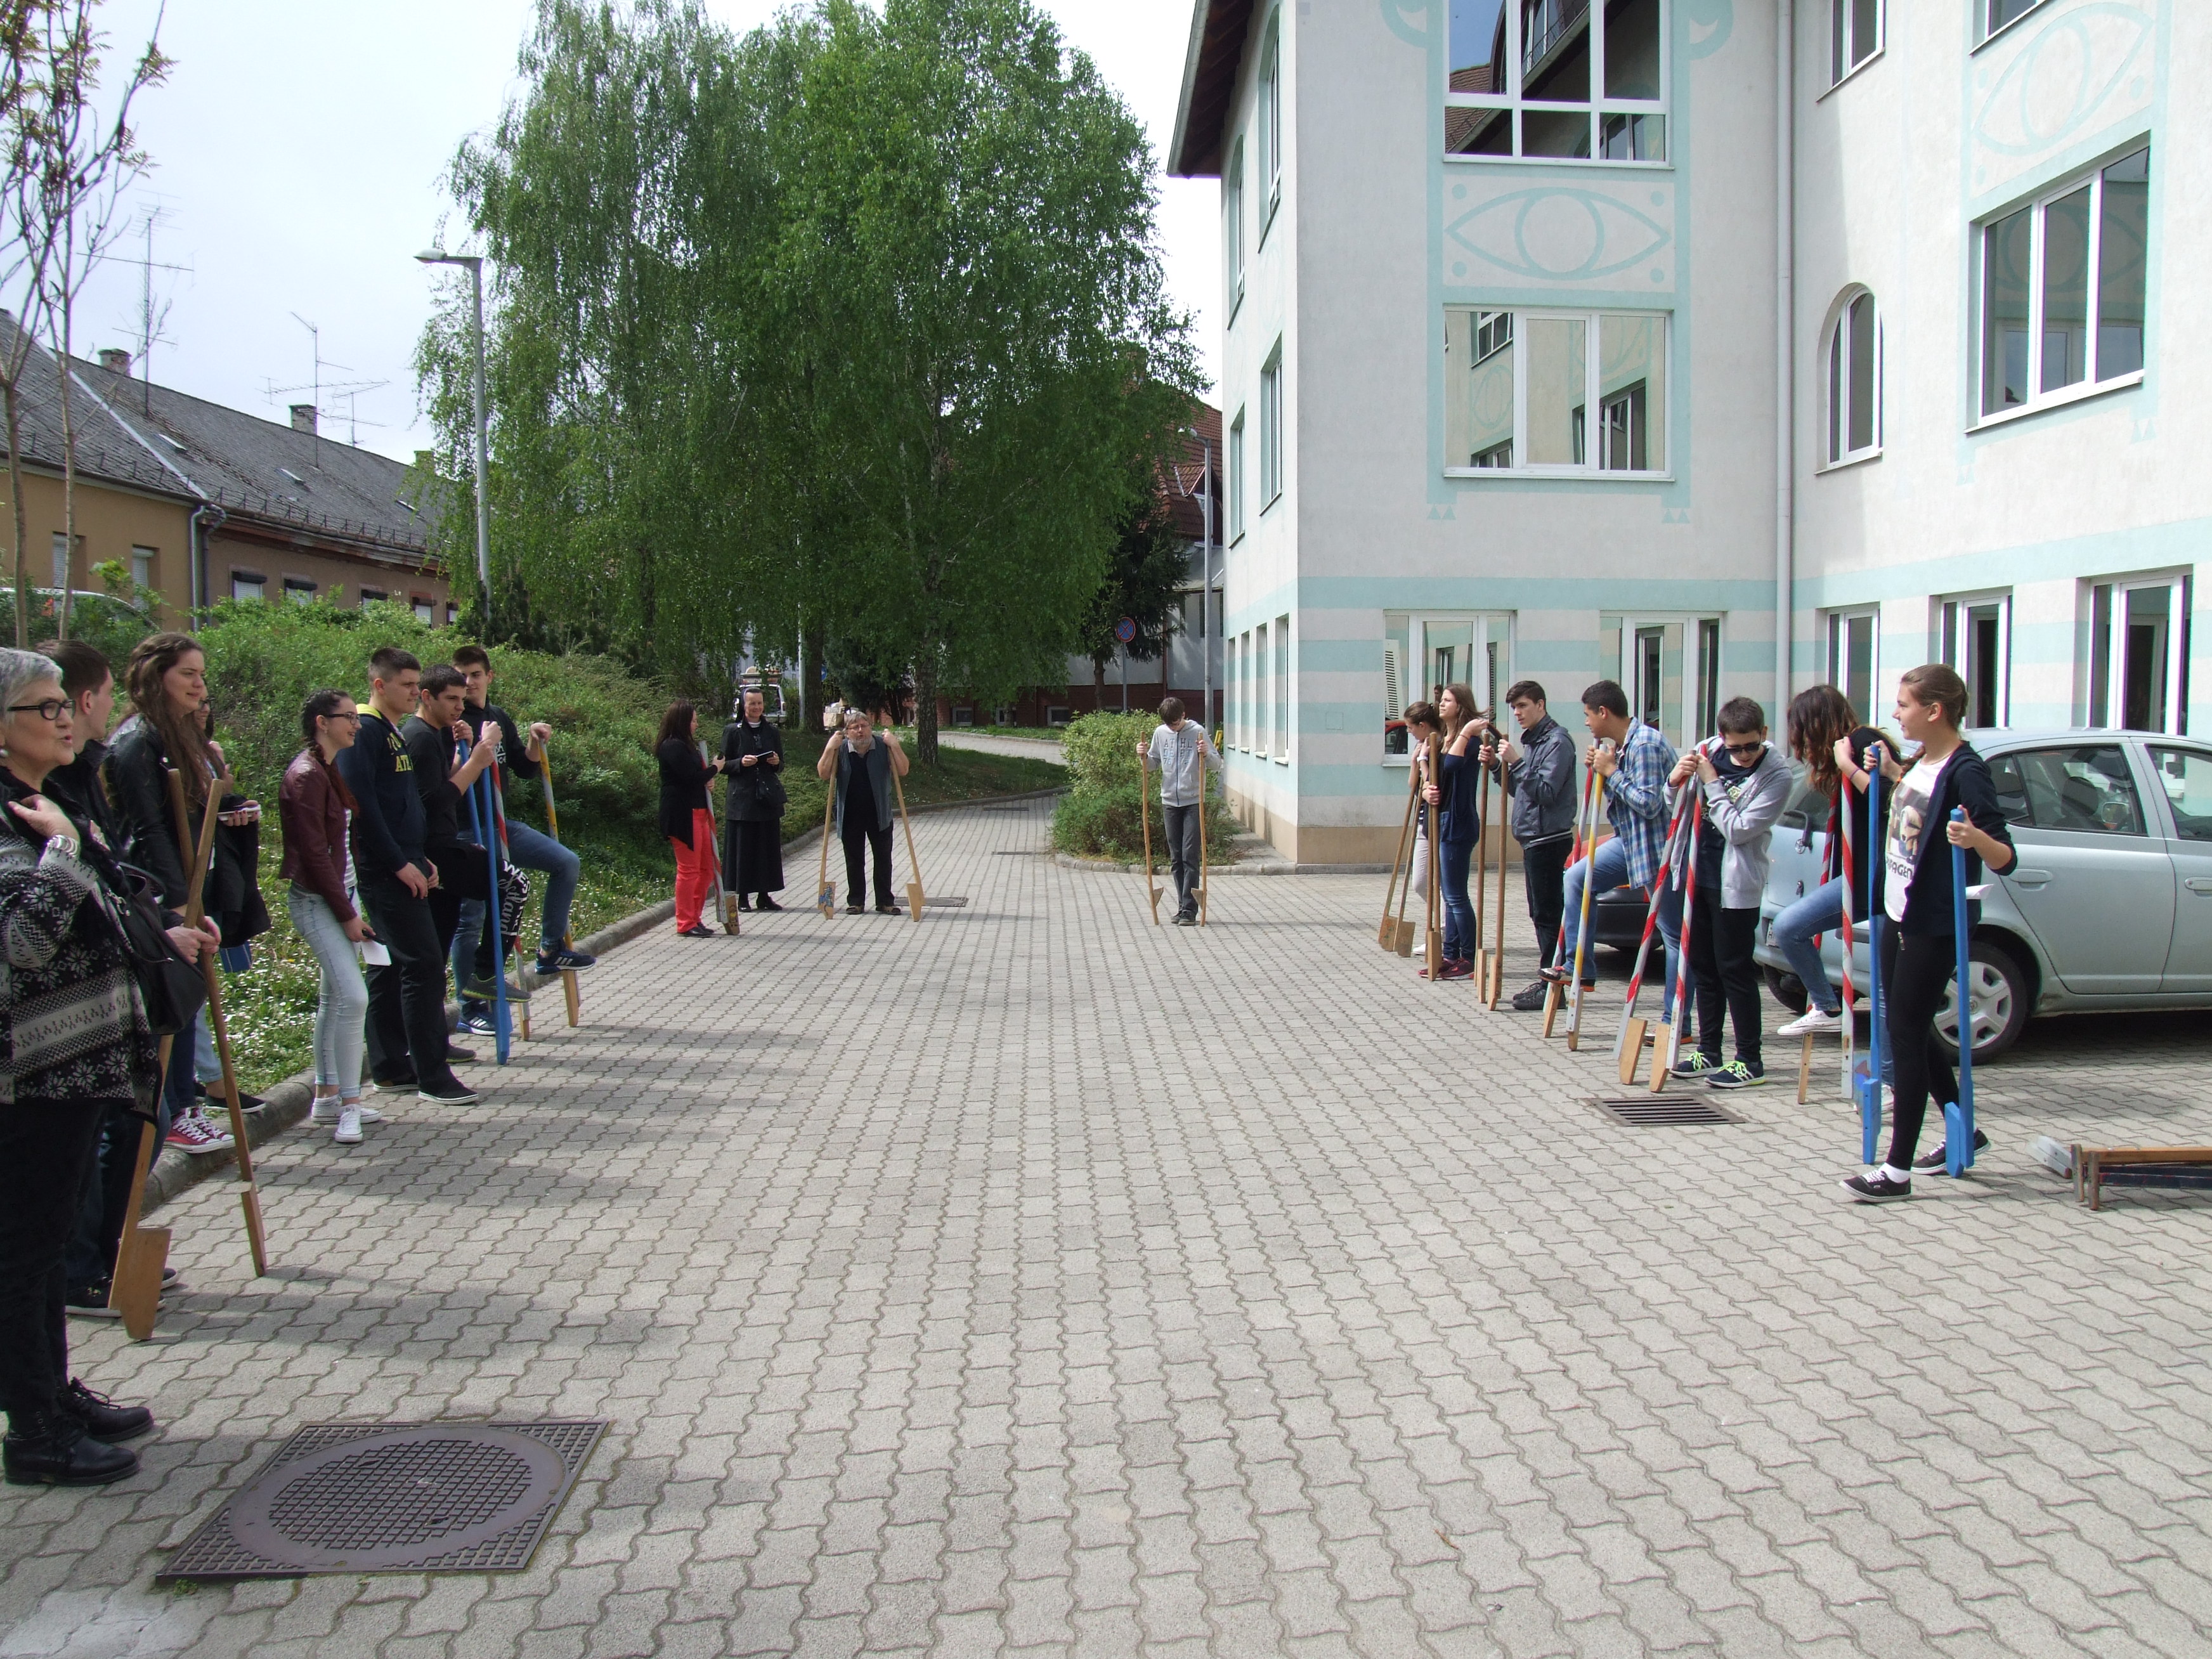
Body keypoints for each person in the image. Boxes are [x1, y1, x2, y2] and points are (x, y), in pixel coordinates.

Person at [1, 646, 204, 1485]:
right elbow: (22, 941)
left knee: (50, 1243)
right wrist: (62, 852)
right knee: (23, 1251)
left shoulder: (51, 798)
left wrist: (159, 929)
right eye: (46, 707)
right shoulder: (14, 818)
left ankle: (54, 1391)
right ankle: (34, 1430)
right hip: (32, 1072)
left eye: (63, 703)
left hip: (79, 1064)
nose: (66, 718)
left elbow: (107, 900)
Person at [1842, 663, 2015, 1202]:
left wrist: (1973, 838)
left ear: (1935, 711)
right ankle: (1967, 1130)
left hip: (1934, 923)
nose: (1896, 714)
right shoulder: (1923, 760)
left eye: (1904, 704)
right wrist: (1893, 772)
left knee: (1905, 1036)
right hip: (1899, 913)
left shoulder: (1967, 770)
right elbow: (1916, 808)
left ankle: (1896, 1172)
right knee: (1910, 1030)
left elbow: (2005, 856)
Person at [101, 633, 235, 1156]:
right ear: (157, 676)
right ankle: (176, 1109)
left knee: (189, 1001)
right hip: (156, 898)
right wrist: (179, 905)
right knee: (173, 1002)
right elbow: (148, 830)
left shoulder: (176, 735)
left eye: (202, 675)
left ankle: (186, 1104)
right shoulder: (137, 743)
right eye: (188, 675)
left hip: (188, 889)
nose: (200, 686)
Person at [335, 648, 478, 1107]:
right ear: (380, 685)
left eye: (418, 684)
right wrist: (400, 862)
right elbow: (365, 809)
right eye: (407, 685)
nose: (416, 693)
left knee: (394, 966)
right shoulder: (366, 732)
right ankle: (432, 1076)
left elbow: (406, 803)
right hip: (385, 871)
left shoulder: (392, 732)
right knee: (423, 964)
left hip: (409, 861)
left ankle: (391, 1067)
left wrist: (419, 856)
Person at [450, 647, 593, 1042]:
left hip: (500, 825)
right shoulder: (453, 722)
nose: (468, 683)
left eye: (475, 675)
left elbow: (525, 767)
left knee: (566, 862)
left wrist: (533, 741)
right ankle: (470, 1008)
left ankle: (549, 949)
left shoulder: (498, 717)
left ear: (489, 677)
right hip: (465, 829)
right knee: (472, 917)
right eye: (461, 676)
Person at [1665, 698, 1792, 1088]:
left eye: (1752, 746)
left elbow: (1739, 830)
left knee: (1734, 970)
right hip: (1697, 874)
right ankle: (1709, 1050)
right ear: (1722, 738)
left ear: (1764, 734)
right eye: (1736, 748)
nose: (1744, 755)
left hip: (1736, 886)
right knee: (1703, 968)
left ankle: (1750, 1059)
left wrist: (1712, 783)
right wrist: (1674, 780)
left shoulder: (1777, 775)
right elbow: (1676, 806)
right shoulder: (1708, 752)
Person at [279, 691, 380, 1145]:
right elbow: (315, 856)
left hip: (342, 896)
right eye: (348, 717)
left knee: (333, 998)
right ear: (322, 722)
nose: (356, 724)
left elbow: (340, 847)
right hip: (318, 901)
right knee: (354, 998)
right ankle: (350, 1106)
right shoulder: (306, 775)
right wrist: (347, 915)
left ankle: (327, 1097)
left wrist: (351, 904)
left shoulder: (325, 768)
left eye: (357, 717)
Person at [1772, 686, 1897, 1039]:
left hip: (1876, 876)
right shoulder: (1849, 748)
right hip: (1864, 875)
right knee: (1791, 929)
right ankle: (1828, 1007)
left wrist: (1847, 766)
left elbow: (1888, 798)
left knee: (1789, 927)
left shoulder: (1864, 743)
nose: (1803, 748)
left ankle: (1831, 1010)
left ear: (1816, 725)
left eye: (1803, 736)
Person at [1552, 681, 1679, 1006]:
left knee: (1673, 935)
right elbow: (1625, 802)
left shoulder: (1645, 745)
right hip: (1630, 843)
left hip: (1657, 851)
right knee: (1577, 879)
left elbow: (1649, 803)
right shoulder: (1623, 746)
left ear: (1603, 712)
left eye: (1588, 715)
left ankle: (1676, 1017)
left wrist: (1611, 772)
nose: (1586, 722)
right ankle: (1579, 966)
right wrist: (1602, 773)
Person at [401, 665, 502, 968]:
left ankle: (473, 976)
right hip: (434, 849)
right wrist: (476, 763)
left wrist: (464, 753)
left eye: (462, 699)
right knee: (510, 884)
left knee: (439, 943)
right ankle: (485, 972)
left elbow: (444, 782)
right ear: (427, 697)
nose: (460, 707)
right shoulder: (419, 737)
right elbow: (434, 801)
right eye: (451, 699)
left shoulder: (436, 733)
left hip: (443, 843)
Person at [1486, 680, 1578, 1012]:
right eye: (1514, 708)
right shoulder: (1536, 742)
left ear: (1541, 705)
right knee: (1540, 914)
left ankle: (1553, 985)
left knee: (1549, 915)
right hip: (1533, 838)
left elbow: (1546, 793)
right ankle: (1548, 981)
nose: (1517, 713)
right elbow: (1523, 790)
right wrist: (1498, 767)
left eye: (1523, 706)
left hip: (1550, 839)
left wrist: (1517, 763)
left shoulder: (1557, 742)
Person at [1417, 684, 1486, 975]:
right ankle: (1449, 954)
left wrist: (1467, 731)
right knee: (1449, 896)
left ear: (1461, 706)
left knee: (1457, 896)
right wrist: (1425, 786)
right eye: (1441, 700)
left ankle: (1467, 958)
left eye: (1448, 700)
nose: (1441, 704)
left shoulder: (1469, 741)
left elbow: (1455, 765)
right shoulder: (1444, 739)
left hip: (1458, 823)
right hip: (1441, 819)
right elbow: (1435, 781)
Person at [1136, 696, 1221, 926]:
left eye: (1175, 723)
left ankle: (1189, 910)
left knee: (1189, 856)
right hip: (1169, 802)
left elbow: (1216, 764)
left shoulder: (1198, 732)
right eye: (1169, 724)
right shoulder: (1160, 733)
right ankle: (1182, 906)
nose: (1173, 728)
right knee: (1176, 858)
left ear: (1183, 715)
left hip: (1193, 801)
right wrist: (1144, 756)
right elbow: (1153, 764)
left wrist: (1206, 753)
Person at [816, 707, 909, 916]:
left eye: (864, 726)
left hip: (879, 813)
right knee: (854, 860)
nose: (860, 731)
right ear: (847, 732)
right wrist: (829, 748)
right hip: (850, 814)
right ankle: (856, 901)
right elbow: (823, 774)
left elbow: (903, 770)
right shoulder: (840, 749)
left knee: (883, 859)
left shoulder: (883, 747)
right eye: (855, 727)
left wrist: (895, 745)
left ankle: (885, 901)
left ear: (870, 728)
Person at [657, 701, 725, 937]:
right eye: (694, 720)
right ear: (682, 721)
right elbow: (690, 778)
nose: (696, 724)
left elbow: (699, 778)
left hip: (700, 813)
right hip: (682, 815)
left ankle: (695, 918)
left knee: (706, 869)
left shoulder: (688, 746)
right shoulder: (672, 746)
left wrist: (709, 779)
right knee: (689, 870)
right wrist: (715, 769)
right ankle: (685, 922)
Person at [720, 688, 787, 911]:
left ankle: (764, 895)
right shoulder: (733, 731)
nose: (756, 708)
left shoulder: (772, 731)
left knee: (766, 848)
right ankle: (743, 897)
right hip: (742, 800)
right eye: (752, 704)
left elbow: (781, 764)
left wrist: (776, 762)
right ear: (744, 706)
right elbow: (722, 764)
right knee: (744, 849)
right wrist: (740, 763)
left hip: (766, 799)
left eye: (759, 703)